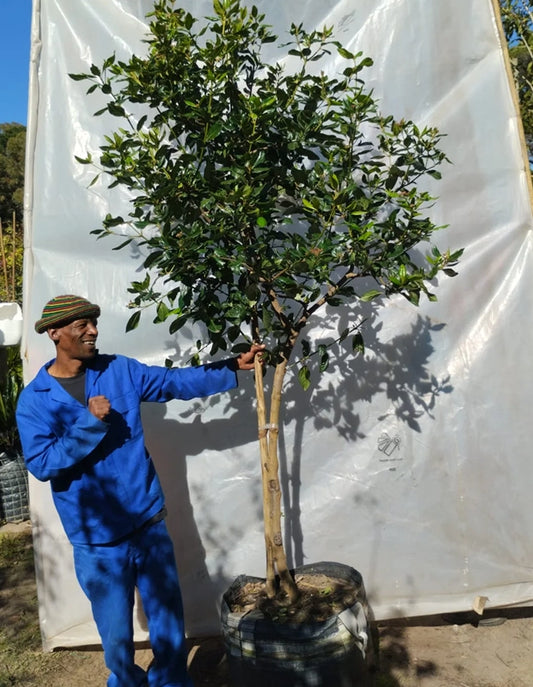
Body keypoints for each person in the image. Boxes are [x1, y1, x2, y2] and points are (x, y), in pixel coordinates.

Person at [16, 294, 264, 687]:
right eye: (82, 325)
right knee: (114, 635)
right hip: (98, 542)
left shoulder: (119, 371)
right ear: (55, 333)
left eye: (94, 323)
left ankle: (171, 679)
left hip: (147, 522)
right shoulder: (34, 400)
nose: (93, 331)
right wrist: (88, 424)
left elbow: (174, 383)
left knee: (167, 618)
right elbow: (42, 463)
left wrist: (232, 367)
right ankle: (128, 680)